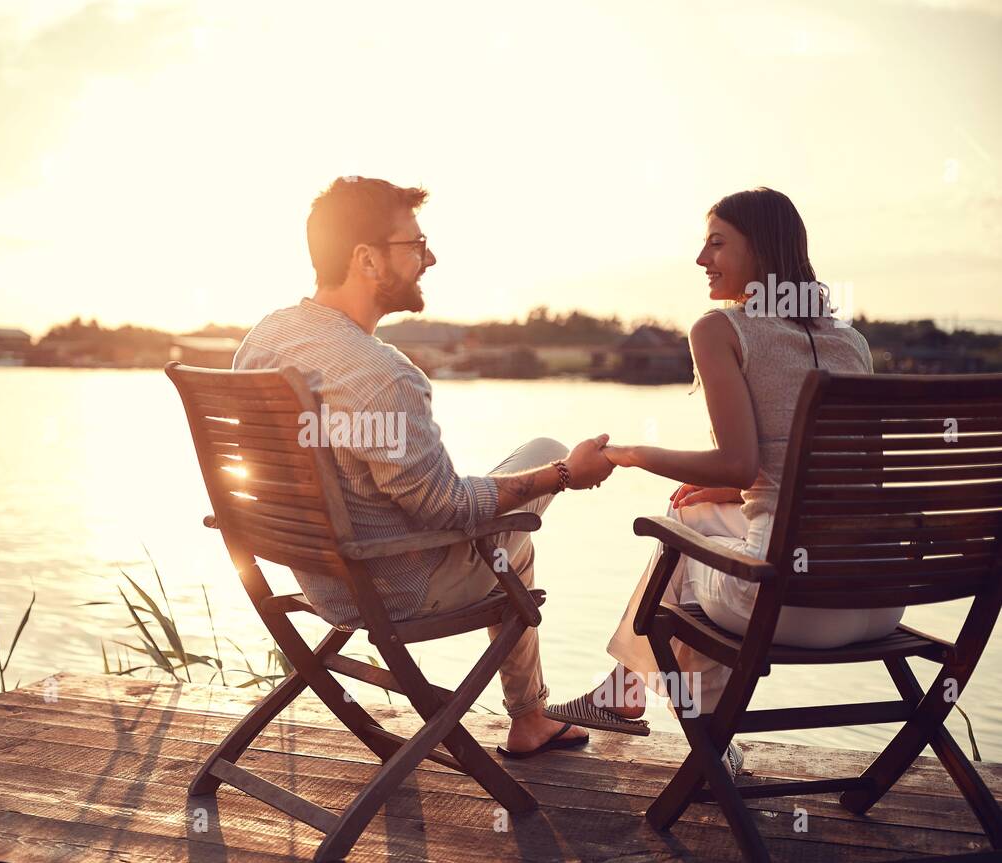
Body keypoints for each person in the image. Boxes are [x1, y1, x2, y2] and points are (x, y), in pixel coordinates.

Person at [233, 175, 616, 757]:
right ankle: (529, 718)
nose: (429, 258)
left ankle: (530, 716)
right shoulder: (382, 371)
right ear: (365, 258)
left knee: (509, 513)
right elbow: (448, 507)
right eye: (414, 245)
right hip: (389, 586)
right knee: (526, 504)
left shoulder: (264, 339)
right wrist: (564, 475)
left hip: (314, 576)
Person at [547, 187, 904, 775]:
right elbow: (837, 480)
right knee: (694, 518)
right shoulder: (852, 341)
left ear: (759, 250)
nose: (700, 258)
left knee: (678, 539)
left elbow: (738, 464)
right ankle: (624, 693)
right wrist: (731, 492)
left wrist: (631, 453)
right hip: (878, 598)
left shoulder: (721, 329)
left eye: (716, 242)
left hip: (789, 607)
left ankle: (710, 740)